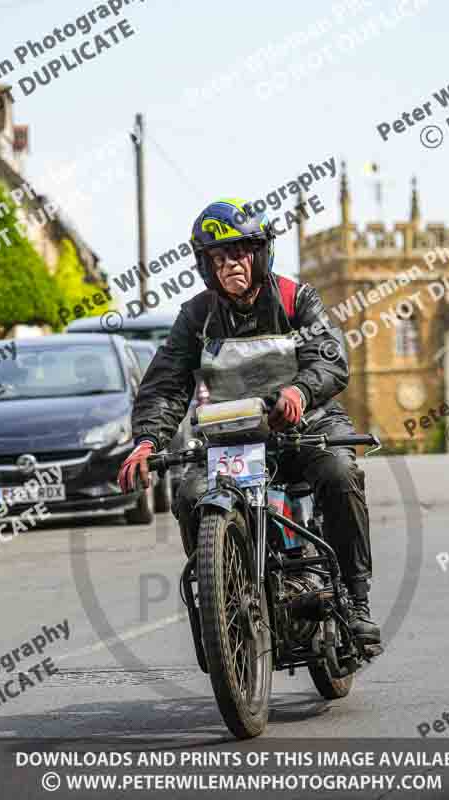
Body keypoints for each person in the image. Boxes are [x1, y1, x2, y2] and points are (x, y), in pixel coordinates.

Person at [118, 199, 380, 644]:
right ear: (206, 265)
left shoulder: (298, 299)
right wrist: (145, 441)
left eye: (238, 253)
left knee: (340, 471)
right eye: (218, 258)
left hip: (307, 428)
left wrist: (299, 391)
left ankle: (355, 599)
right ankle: (220, 597)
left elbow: (330, 359)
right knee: (191, 493)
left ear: (259, 253)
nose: (229, 265)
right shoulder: (196, 317)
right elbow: (165, 384)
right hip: (233, 440)